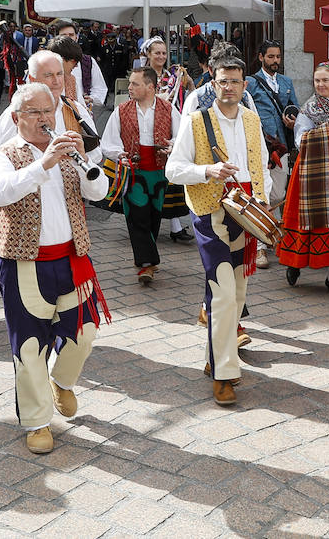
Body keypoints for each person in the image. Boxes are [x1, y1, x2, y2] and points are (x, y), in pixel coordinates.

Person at [0, 82, 110, 454]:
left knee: (85, 333)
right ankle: (38, 422)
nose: (44, 119)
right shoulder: (3, 155)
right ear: (16, 118)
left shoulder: (68, 153)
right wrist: (44, 164)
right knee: (30, 345)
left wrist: (88, 160)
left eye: (48, 111)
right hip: (24, 263)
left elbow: (98, 193)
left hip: (72, 258)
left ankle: (62, 380)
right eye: (35, 112)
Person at [165, 56, 271, 406]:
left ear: (244, 85)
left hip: (246, 213)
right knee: (223, 291)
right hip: (209, 211)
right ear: (213, 83)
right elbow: (173, 169)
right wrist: (208, 170)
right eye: (223, 81)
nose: (229, 88)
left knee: (237, 291)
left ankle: (215, 353)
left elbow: (263, 165)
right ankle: (224, 372)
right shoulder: (196, 120)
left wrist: (264, 200)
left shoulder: (253, 120)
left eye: (235, 82)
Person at [278, 62, 329, 295]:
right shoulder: (309, 109)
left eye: (325, 80)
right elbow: (300, 141)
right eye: (317, 80)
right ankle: (294, 263)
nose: (320, 84)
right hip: (312, 171)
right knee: (308, 222)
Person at [101, 68, 181, 285]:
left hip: (159, 173)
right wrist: (119, 154)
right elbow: (107, 142)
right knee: (136, 216)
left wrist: (171, 146)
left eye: (135, 84)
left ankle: (147, 258)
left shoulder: (169, 109)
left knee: (154, 216)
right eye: (130, 83)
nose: (129, 87)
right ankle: (146, 263)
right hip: (133, 173)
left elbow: (182, 137)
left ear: (150, 87)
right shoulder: (121, 110)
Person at [247, 38, 300, 245]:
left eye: (278, 56)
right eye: (271, 56)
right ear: (261, 57)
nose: (275, 60)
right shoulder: (251, 82)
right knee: (260, 191)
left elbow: (295, 108)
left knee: (278, 193)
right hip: (259, 145)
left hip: (282, 146)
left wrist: (293, 121)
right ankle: (260, 244)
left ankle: (269, 229)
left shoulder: (287, 82)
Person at [144, 36, 194, 242]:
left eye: (164, 53)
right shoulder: (142, 75)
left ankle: (175, 226)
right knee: (152, 179)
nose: (162, 56)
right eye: (157, 53)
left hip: (170, 129)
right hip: (147, 129)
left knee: (171, 177)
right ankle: (148, 224)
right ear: (148, 54)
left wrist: (188, 80)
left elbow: (189, 92)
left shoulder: (172, 75)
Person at [0, 50, 99, 145]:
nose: (56, 81)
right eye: (48, 75)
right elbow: (2, 157)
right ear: (32, 79)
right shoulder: (16, 113)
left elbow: (96, 153)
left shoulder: (75, 108)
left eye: (59, 74)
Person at [51, 19, 108, 115]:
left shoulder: (88, 61)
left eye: (71, 35)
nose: (68, 38)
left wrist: (91, 98)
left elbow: (100, 87)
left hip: (82, 113)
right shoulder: (47, 61)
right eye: (64, 35)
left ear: (76, 37)